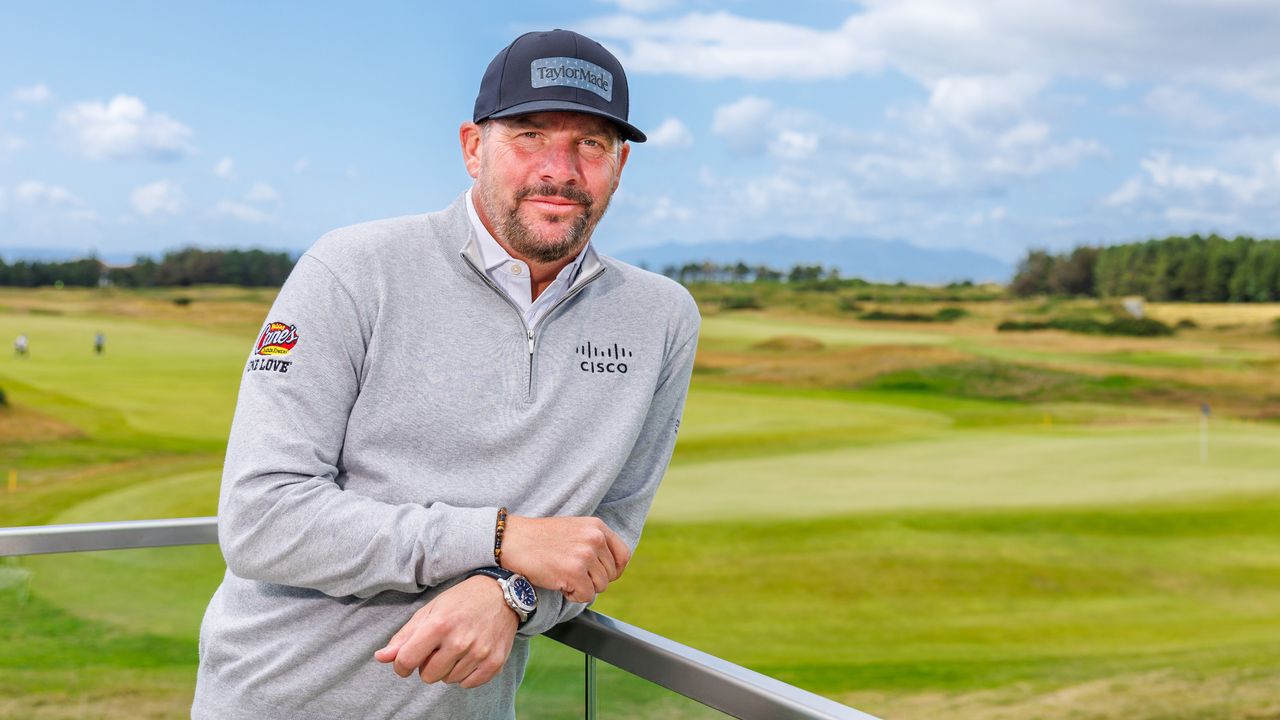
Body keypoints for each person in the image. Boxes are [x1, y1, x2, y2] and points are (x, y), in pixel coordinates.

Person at [193, 29, 700, 719]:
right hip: (278, 702)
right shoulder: (351, 269)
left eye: (592, 143)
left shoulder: (661, 318)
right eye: (529, 134)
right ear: (472, 147)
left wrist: (509, 594)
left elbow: (599, 541)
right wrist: (495, 537)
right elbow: (261, 519)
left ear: (621, 163)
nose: (561, 167)